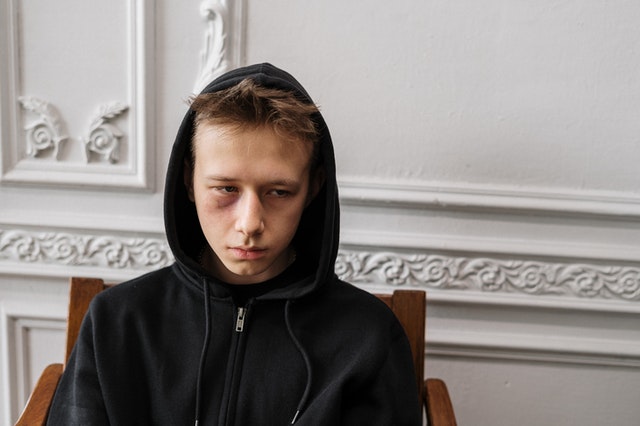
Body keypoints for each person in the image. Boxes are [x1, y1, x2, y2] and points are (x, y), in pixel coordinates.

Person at [47, 63, 421, 425]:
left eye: (279, 192)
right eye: (226, 189)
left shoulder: (367, 336)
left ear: (313, 189)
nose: (250, 223)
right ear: (189, 181)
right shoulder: (117, 321)